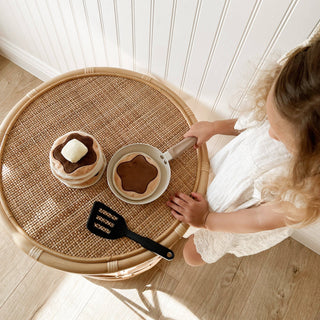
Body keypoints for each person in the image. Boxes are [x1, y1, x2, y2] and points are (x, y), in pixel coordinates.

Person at [166, 39, 320, 266]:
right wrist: (215, 127)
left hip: (240, 214)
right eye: (271, 121)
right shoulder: (294, 106)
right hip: (232, 175)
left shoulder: (308, 191)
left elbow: (258, 218)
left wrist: (208, 220)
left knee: (192, 256)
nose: (270, 134)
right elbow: (252, 124)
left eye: (280, 136)